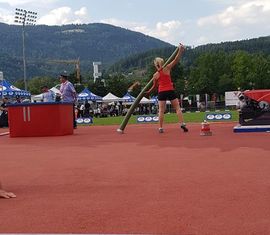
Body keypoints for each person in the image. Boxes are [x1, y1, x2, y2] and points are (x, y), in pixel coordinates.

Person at [146, 43, 188, 133]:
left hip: (161, 92)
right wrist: (180, 50)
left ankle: (160, 128)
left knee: (161, 110)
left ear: (155, 65)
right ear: (162, 62)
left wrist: (149, 91)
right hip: (170, 90)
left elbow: (154, 86)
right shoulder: (167, 68)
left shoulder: (155, 75)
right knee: (177, 108)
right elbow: (176, 60)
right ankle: (182, 124)